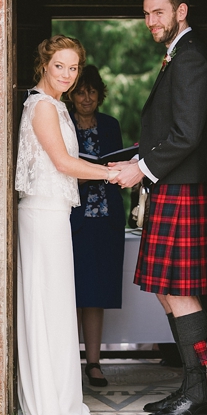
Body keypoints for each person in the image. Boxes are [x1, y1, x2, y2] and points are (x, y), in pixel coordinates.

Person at [111, 0, 207, 415]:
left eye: (158, 12)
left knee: (178, 288)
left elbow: (188, 133)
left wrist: (142, 170)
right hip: (172, 184)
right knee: (165, 289)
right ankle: (193, 384)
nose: (151, 21)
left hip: (183, 187)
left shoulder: (190, 55)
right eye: (146, 14)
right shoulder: (179, 52)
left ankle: (198, 393)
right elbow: (170, 129)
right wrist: (136, 160)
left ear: (181, 11)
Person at [14, 35, 119, 415]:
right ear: (45, 64)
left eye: (73, 68)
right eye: (60, 66)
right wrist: (113, 172)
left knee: (58, 307)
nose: (68, 74)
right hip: (40, 215)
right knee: (45, 306)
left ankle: (59, 399)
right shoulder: (41, 105)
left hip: (56, 215)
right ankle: (45, 403)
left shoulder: (55, 105)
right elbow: (62, 162)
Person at [67, 65, 126, 388]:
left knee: (96, 295)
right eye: (80, 91)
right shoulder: (63, 123)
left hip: (106, 220)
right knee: (68, 292)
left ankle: (93, 363)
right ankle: (66, 363)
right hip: (73, 220)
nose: (86, 97)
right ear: (71, 95)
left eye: (91, 91)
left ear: (99, 94)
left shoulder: (110, 125)